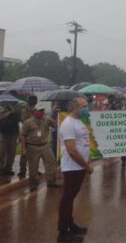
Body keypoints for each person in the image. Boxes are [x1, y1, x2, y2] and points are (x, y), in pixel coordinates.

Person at [57, 97, 92, 242]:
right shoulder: (68, 124)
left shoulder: (79, 122)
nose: (87, 108)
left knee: (71, 197)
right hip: (72, 167)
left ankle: (70, 224)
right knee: (67, 198)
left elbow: (83, 143)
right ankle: (63, 232)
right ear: (75, 107)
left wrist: (87, 160)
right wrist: (86, 165)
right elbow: (71, 150)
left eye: (87, 106)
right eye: (84, 106)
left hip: (79, 167)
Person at [21, 108, 61, 191]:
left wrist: (58, 115)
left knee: (51, 163)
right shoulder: (27, 122)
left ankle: (51, 181)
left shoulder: (47, 119)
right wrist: (24, 149)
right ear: (34, 111)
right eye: (39, 111)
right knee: (33, 166)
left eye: (42, 111)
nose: (41, 112)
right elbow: (23, 136)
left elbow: (57, 125)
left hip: (45, 145)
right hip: (32, 146)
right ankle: (33, 183)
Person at [0, 104, 22, 176]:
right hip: (3, 132)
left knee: (12, 151)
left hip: (13, 132)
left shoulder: (17, 107)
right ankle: (1, 168)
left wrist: (15, 111)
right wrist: (10, 112)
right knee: (1, 151)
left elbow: (20, 119)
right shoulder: (2, 107)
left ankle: (9, 168)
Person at [17, 95, 37, 178]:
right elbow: (23, 119)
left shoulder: (36, 110)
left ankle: (34, 169)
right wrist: (32, 116)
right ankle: (22, 170)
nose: (34, 103)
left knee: (35, 153)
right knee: (24, 153)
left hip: (34, 134)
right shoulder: (24, 110)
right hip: (25, 133)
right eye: (33, 102)